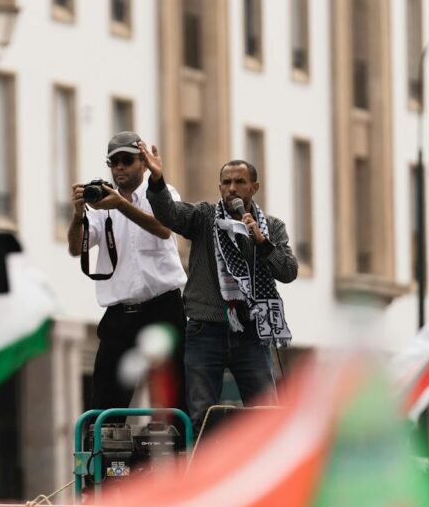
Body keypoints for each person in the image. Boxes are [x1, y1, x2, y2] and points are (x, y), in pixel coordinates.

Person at [137, 142, 298, 436]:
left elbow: (288, 272)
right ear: (220, 187)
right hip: (205, 331)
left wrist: (262, 242)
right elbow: (169, 213)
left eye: (240, 182)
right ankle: (202, 475)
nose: (232, 188)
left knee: (265, 415)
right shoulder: (204, 217)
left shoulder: (272, 227)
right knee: (201, 416)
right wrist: (157, 180)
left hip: (252, 332)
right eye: (226, 182)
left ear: (254, 187)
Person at [67, 131, 188, 414]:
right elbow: (76, 248)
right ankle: (108, 455)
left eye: (127, 160)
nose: (119, 167)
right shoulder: (100, 202)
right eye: (114, 162)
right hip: (120, 313)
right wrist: (76, 215)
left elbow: (164, 228)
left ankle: (179, 452)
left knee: (175, 395)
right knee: (106, 400)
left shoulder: (162, 194)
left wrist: (120, 205)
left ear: (143, 164)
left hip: (163, 308)